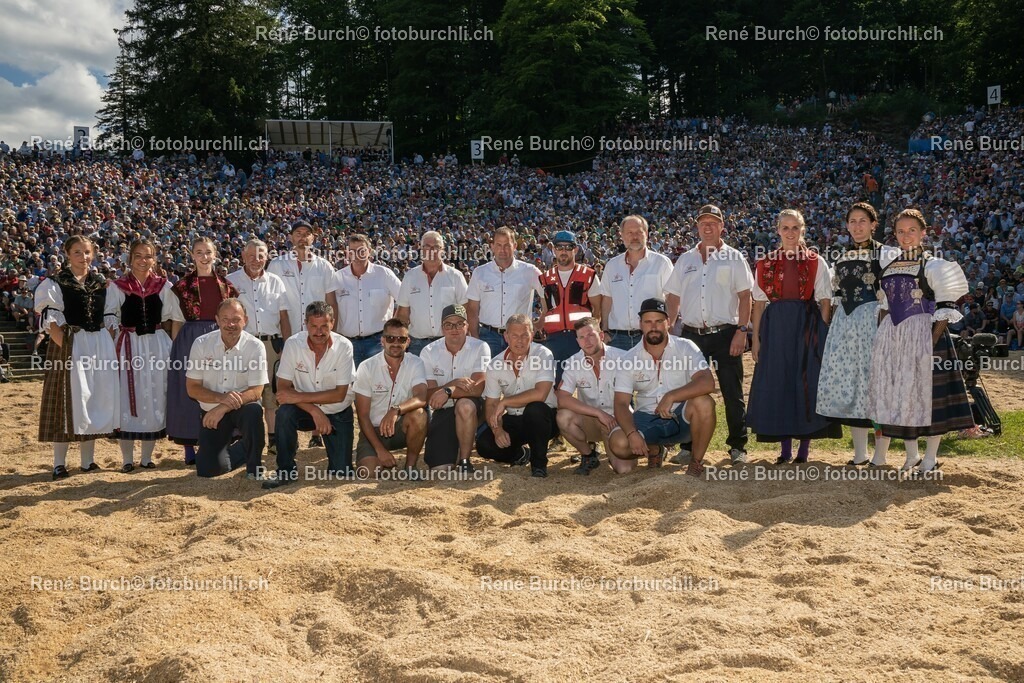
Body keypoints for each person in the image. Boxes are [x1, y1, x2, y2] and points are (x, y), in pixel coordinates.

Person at [867, 209, 974, 474]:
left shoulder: (935, 265)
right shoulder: (889, 267)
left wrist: (928, 344)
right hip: (895, 338)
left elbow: (945, 310)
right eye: (901, 231)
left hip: (927, 337)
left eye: (911, 230)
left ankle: (930, 458)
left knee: (930, 400)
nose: (906, 236)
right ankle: (912, 455)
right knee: (904, 399)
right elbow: (885, 305)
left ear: (923, 232)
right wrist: (882, 339)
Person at [665, 204, 754, 465]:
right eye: (703, 222)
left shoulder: (734, 257)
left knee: (732, 392)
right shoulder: (686, 259)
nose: (707, 227)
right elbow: (673, 295)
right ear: (697, 227)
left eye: (713, 222)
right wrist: (670, 325)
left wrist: (742, 330)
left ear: (722, 226)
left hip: (726, 333)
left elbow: (745, 296)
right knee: (689, 391)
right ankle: (687, 445)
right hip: (692, 336)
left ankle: (738, 446)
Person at [747, 209, 838, 464]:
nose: (790, 232)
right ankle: (785, 450)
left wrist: (822, 331)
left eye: (795, 227)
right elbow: (759, 303)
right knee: (780, 382)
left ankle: (803, 451)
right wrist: (756, 338)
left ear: (803, 230)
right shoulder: (765, 263)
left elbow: (824, 299)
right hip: (775, 329)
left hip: (806, 326)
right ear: (778, 230)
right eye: (785, 228)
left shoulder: (815, 261)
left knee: (804, 383)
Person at [817, 203, 900, 465]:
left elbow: (894, 294)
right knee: (854, 386)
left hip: (873, 321)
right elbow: (835, 294)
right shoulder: (841, 256)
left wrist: (885, 326)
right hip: (846, 324)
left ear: (874, 224)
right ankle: (860, 453)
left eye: (862, 221)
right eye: (852, 221)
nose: (857, 226)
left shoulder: (885, 254)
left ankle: (881, 454)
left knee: (876, 386)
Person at [35, 235, 120, 479]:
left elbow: (110, 319)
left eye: (87, 252)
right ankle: (59, 463)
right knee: (66, 402)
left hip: (98, 345)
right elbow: (52, 322)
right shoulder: (55, 283)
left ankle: (87, 462)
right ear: (67, 254)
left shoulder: (102, 283)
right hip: (70, 344)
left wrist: (107, 344)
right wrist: (68, 348)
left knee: (91, 398)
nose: (83, 257)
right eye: (77, 252)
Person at [608, 298, 716, 476]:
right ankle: (654, 450)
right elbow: (620, 403)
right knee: (618, 444)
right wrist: (631, 433)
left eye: (659, 321)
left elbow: (707, 382)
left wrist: (672, 396)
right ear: (640, 324)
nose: (654, 327)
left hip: (681, 418)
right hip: (647, 418)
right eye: (648, 322)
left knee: (704, 402)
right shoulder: (628, 359)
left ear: (668, 323)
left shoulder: (685, 347)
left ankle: (696, 462)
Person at [104, 238, 180, 472]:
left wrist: (174, 346)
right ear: (130, 258)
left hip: (157, 345)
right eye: (138, 255)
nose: (143, 260)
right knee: (126, 397)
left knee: (155, 394)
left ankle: (147, 457)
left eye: (148, 256)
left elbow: (175, 317)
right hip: (129, 345)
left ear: (154, 259)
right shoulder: (118, 286)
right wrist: (112, 348)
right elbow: (110, 317)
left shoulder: (164, 286)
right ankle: (127, 458)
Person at [262, 301, 356, 489]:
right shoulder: (293, 344)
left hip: (337, 410)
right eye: (314, 326)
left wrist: (299, 398)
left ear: (333, 323)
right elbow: (282, 390)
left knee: (341, 472)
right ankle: (285, 470)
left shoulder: (344, 346)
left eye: (324, 326)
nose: (319, 332)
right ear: (306, 324)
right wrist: (314, 410)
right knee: (284, 413)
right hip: (304, 411)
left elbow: (339, 395)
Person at [167, 237, 239, 464]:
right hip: (190, 338)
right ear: (192, 255)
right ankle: (189, 448)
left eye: (208, 252)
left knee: (220, 386)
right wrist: (176, 349)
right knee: (189, 391)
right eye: (199, 252)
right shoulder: (180, 287)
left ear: (215, 254)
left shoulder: (227, 286)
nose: (204, 257)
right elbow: (177, 321)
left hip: (220, 337)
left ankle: (221, 442)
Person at [185, 299, 269, 479]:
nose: (230, 324)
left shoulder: (255, 347)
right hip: (211, 409)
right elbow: (192, 388)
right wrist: (220, 399)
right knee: (208, 470)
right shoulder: (201, 344)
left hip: (240, 407)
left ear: (245, 320)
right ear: (216, 319)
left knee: (254, 410)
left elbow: (256, 391)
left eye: (236, 319)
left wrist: (223, 406)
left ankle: (254, 468)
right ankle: (243, 448)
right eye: (225, 319)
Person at [226, 239, 290, 456]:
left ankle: (273, 439)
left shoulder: (276, 282)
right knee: (243, 391)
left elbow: (283, 316)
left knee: (272, 393)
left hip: (271, 343)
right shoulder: (230, 281)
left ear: (266, 257)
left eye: (260, 255)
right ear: (243, 256)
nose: (256, 260)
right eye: (251, 255)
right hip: (243, 344)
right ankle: (245, 440)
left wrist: (287, 345)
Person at [476, 314, 559, 478]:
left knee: (535, 409)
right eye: (514, 335)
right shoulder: (495, 364)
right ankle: (520, 455)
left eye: (524, 335)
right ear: (506, 336)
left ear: (532, 334)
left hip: (545, 419)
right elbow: (492, 404)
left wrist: (506, 401)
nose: (519, 341)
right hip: (515, 419)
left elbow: (541, 393)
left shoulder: (544, 354)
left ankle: (539, 464)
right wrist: (497, 429)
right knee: (484, 445)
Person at [352, 318, 428, 477]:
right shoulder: (367, 367)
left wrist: (396, 410)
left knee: (419, 414)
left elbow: (421, 397)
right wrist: (380, 451)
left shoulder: (416, 363)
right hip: (372, 431)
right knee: (368, 473)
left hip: (400, 427)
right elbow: (363, 416)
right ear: (382, 341)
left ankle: (410, 467)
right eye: (390, 338)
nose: (395, 343)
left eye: (401, 339)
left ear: (408, 342)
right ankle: (377, 453)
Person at [420, 304, 491, 472]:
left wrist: (448, 391)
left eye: (460, 323)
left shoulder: (480, 347)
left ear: (467, 326)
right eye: (448, 324)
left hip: (475, 407)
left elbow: (478, 388)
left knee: (465, 405)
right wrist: (454, 383)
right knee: (439, 468)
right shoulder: (428, 351)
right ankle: (456, 447)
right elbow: (428, 395)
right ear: (442, 328)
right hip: (444, 410)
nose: (454, 329)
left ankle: (465, 461)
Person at [555, 316, 626, 475]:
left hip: (618, 420)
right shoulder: (573, 362)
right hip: (591, 420)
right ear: (577, 341)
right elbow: (562, 398)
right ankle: (588, 455)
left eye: (591, 335)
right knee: (563, 417)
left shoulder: (623, 358)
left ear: (601, 336)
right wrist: (599, 413)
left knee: (623, 469)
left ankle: (648, 447)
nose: (587, 341)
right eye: (581, 337)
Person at [326, 233, 402, 366]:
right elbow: (330, 308)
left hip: (378, 343)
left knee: (379, 384)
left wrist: (393, 327)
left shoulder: (384, 274)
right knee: (351, 385)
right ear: (347, 253)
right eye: (353, 251)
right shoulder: (337, 278)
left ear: (370, 251)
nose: (357, 255)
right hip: (347, 343)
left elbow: (404, 301)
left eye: (362, 250)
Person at [466, 227, 544, 355]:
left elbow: (548, 296)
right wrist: (475, 337)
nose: (502, 250)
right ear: (492, 246)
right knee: (489, 374)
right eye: (499, 245)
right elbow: (472, 309)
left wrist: (539, 323)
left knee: (519, 374)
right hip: (487, 337)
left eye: (507, 245)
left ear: (514, 246)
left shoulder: (530, 271)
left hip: (519, 337)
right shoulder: (479, 273)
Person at [538, 229, 602, 384]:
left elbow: (598, 311)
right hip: (555, 339)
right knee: (557, 385)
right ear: (553, 249)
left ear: (576, 249)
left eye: (568, 247)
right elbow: (546, 311)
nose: (563, 251)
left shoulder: (589, 275)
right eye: (559, 247)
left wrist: (592, 337)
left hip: (581, 339)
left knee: (588, 384)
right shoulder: (545, 279)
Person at [599, 216, 673, 351]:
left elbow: (671, 298)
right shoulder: (612, 265)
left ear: (647, 233)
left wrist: (669, 329)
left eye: (639, 232)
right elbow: (607, 299)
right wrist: (604, 330)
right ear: (621, 235)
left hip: (650, 337)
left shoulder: (661, 263)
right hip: (617, 339)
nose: (634, 237)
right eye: (629, 233)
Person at [395, 231, 469, 355]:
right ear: (421, 249)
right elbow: (403, 314)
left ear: (443, 250)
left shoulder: (456, 276)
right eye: (427, 247)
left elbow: (466, 309)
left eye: (436, 247)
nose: (432, 251)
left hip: (449, 343)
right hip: (417, 344)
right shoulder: (410, 276)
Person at [267, 220, 335, 338]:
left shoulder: (325, 266)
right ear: (290, 237)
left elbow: (331, 303)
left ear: (313, 238)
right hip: (285, 336)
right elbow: (269, 301)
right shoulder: (276, 265)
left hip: (317, 336)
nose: (302, 237)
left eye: (307, 234)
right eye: (298, 234)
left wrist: (333, 334)